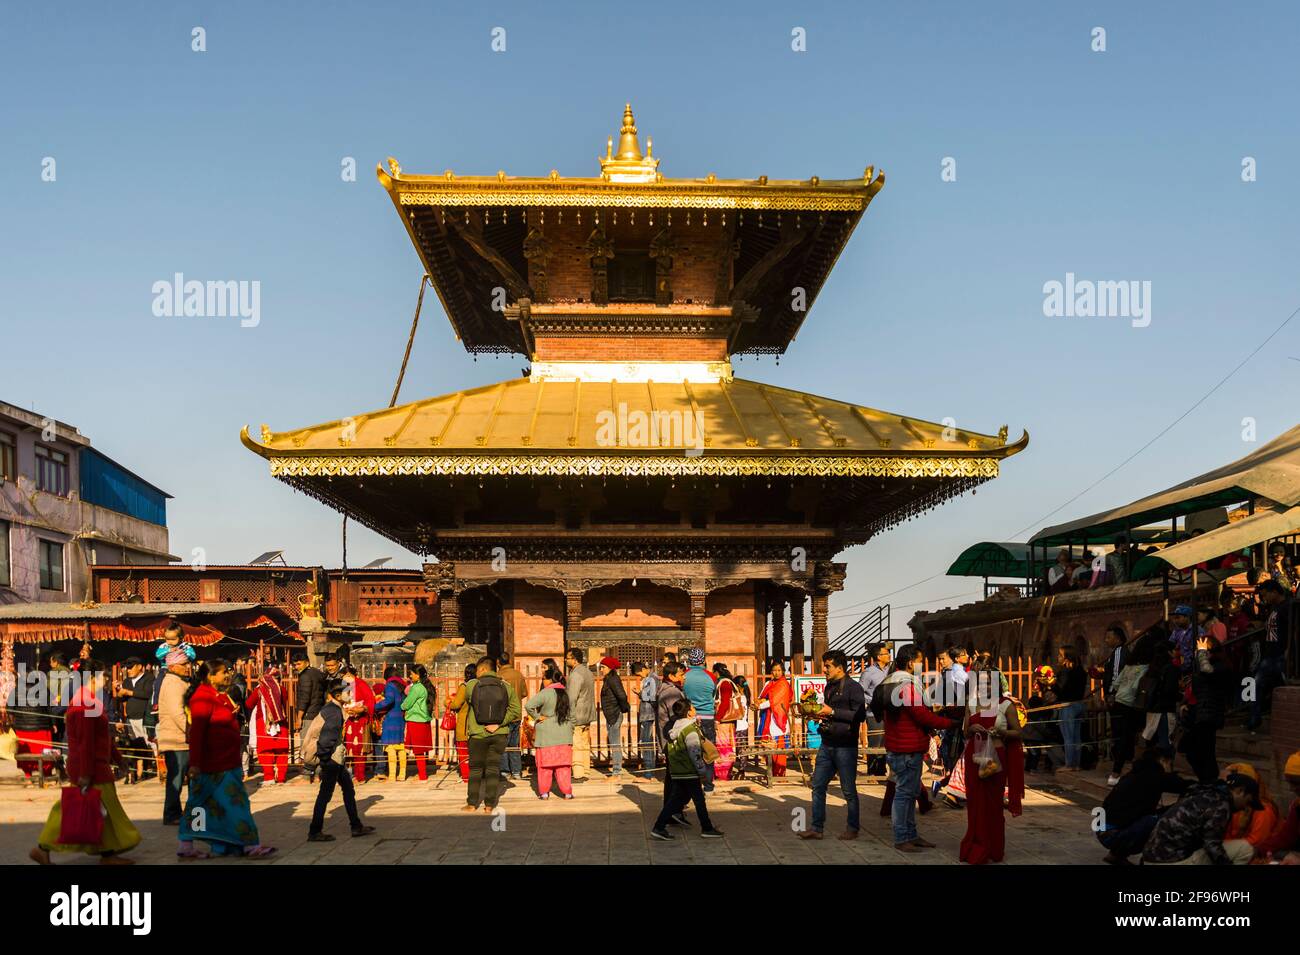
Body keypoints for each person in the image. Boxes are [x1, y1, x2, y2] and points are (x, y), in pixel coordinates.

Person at [30, 659, 141, 865]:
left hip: (93, 764)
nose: (107, 680)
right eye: (104, 676)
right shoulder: (84, 704)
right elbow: (86, 743)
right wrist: (86, 773)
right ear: (92, 678)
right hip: (90, 766)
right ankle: (43, 847)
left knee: (98, 809)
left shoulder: (90, 701)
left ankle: (107, 854)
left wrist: (118, 758)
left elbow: (101, 737)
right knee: (81, 809)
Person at [179, 659, 276, 859]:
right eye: (223, 672)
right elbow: (197, 733)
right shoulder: (202, 698)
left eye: (228, 671)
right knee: (232, 804)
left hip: (225, 763)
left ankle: (211, 845)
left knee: (205, 805)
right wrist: (195, 763)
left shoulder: (218, 697)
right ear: (210, 676)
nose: (228, 675)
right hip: (212, 764)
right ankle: (249, 845)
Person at [881, 645, 954, 852]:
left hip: (900, 744)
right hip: (907, 747)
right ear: (912, 662)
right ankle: (901, 838)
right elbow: (921, 715)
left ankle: (911, 835)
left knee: (910, 792)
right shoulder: (906, 685)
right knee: (904, 794)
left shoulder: (891, 681)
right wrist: (949, 723)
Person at [957, 659, 1024, 864]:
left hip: (996, 758)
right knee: (976, 803)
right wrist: (971, 730)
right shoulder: (971, 703)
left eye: (989, 682)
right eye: (982, 681)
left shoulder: (1005, 705)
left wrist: (1002, 731)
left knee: (993, 804)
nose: (985, 685)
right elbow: (964, 731)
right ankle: (977, 843)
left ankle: (994, 847)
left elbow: (1017, 732)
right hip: (974, 758)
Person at [798, 650, 867, 841]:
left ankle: (853, 828)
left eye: (828, 666)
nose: (825, 670)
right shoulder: (829, 687)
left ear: (839, 667)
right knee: (818, 786)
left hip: (846, 746)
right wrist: (818, 714)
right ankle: (816, 828)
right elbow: (829, 712)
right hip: (827, 744)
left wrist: (833, 711)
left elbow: (859, 716)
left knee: (848, 790)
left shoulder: (854, 687)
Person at [308, 679, 376, 842]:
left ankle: (356, 825)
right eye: (348, 693)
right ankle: (315, 831)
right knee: (325, 795)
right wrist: (325, 760)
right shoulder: (334, 712)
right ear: (338, 695)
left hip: (336, 758)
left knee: (348, 790)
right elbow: (326, 741)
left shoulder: (334, 709)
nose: (350, 695)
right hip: (331, 760)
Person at [1096, 745, 1189, 865]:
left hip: (1102, 829)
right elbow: (1183, 785)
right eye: (1169, 764)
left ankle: (1116, 854)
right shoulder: (1154, 775)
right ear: (1163, 761)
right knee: (1162, 819)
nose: (1170, 768)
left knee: (1153, 815)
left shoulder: (1136, 772)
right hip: (1111, 833)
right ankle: (1150, 859)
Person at [1141, 771, 1260, 865]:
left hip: (1152, 856)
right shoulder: (1221, 804)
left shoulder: (1206, 791)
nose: (1245, 808)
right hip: (1170, 861)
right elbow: (1212, 846)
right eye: (1248, 802)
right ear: (1240, 791)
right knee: (1245, 849)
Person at [649, 700, 725, 841]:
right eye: (693, 708)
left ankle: (659, 827)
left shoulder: (675, 728)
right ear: (689, 711)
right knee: (699, 800)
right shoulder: (690, 731)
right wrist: (702, 771)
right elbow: (694, 753)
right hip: (689, 770)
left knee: (676, 800)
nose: (695, 710)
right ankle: (707, 828)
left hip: (678, 770)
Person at [461, 655, 521, 813]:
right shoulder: (506, 686)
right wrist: (499, 723)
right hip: (499, 734)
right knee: (493, 769)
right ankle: (489, 805)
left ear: (482, 669)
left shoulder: (472, 685)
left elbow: (468, 701)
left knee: (475, 769)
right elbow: (516, 710)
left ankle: (472, 804)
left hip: (477, 734)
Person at [524, 665, 574, 799]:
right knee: (564, 767)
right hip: (564, 734)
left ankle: (545, 793)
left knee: (544, 767)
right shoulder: (566, 693)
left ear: (549, 680)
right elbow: (572, 714)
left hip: (546, 734)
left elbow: (529, 706)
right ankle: (567, 792)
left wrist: (537, 717)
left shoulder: (546, 693)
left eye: (543, 679)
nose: (543, 681)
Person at [1248, 580, 1291, 733]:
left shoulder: (1287, 606)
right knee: (1254, 684)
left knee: (1284, 687)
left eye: (1265, 595)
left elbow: (1293, 629)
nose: (1264, 598)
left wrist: (1288, 649)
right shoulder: (1274, 607)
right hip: (1270, 655)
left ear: (1274, 592)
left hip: (1280, 654)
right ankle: (1253, 719)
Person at [155, 655, 192, 825]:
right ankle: (171, 814)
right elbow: (177, 712)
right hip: (177, 739)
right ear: (172, 666)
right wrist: (191, 731)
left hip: (181, 738)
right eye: (184, 663)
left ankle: (187, 813)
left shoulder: (179, 682)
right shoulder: (172, 684)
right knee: (176, 779)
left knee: (184, 777)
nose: (187, 666)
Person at [11, 658, 58, 781]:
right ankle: (46, 774)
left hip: (22, 729)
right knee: (44, 751)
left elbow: (9, 709)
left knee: (27, 752)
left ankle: (28, 774)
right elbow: (50, 708)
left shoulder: (16, 691)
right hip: (42, 728)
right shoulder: (43, 689)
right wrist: (53, 724)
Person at [246, 664, 290, 784]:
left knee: (266, 751)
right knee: (282, 751)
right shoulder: (283, 689)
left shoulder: (259, 690)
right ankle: (281, 778)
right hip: (281, 723)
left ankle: (269, 778)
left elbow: (249, 704)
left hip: (264, 724)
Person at [1221, 762, 1279, 853]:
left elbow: (1258, 841)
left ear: (1241, 790)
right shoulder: (1229, 803)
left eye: (1232, 787)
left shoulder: (1264, 809)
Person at [1099, 624, 1131, 785]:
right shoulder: (1115, 653)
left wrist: (1111, 693)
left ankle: (1117, 769)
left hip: (1118, 698)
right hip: (1120, 698)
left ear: (1117, 638)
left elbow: (1117, 675)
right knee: (1120, 733)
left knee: (1120, 734)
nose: (1106, 640)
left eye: (1109, 637)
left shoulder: (1119, 651)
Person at [1258, 751, 1300, 863]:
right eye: (1290, 783)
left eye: (1296, 783)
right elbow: (1285, 837)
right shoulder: (1297, 806)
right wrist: (1258, 850)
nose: (1292, 788)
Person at [1141, 641, 1181, 750]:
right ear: (1170, 652)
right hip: (1165, 709)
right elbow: (1170, 690)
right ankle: (1164, 765)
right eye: (1176, 650)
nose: (1178, 652)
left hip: (1152, 708)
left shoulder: (1152, 667)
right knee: (1165, 741)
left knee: (1153, 741)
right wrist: (1181, 697)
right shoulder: (1171, 668)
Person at [292, 652, 326, 778]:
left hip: (308, 715)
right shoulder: (318, 673)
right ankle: (318, 774)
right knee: (317, 744)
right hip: (319, 713)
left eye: (299, 663)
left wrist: (299, 717)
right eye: (295, 665)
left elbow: (304, 698)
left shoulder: (305, 676)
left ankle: (307, 775)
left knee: (306, 745)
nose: (297, 667)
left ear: (306, 662)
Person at [757, 660, 793, 777]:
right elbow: (761, 696)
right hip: (766, 719)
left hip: (778, 720)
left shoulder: (783, 684)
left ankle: (780, 775)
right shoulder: (769, 683)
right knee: (768, 746)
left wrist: (760, 705)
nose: (776, 673)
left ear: (783, 671)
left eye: (779, 670)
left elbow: (774, 701)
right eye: (774, 670)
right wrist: (757, 702)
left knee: (779, 749)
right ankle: (771, 773)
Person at [496, 652, 529, 781]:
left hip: (504, 716)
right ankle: (516, 771)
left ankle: (505, 771)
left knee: (504, 744)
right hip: (516, 715)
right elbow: (524, 693)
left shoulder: (499, 676)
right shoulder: (518, 675)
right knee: (514, 745)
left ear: (499, 662)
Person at [372, 665, 408, 782]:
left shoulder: (390, 685)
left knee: (391, 747)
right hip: (400, 718)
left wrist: (375, 707)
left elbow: (389, 701)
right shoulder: (402, 685)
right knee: (400, 746)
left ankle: (392, 775)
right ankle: (402, 774)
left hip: (391, 718)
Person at [342, 666, 376, 783]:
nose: (346, 678)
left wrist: (362, 709)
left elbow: (370, 701)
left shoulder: (362, 684)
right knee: (350, 748)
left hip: (361, 721)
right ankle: (351, 774)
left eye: (348, 676)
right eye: (344, 676)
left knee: (360, 749)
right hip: (350, 720)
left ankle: (360, 776)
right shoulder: (345, 685)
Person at [1054, 646, 1086, 772]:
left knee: (1068, 736)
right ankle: (1076, 764)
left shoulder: (1066, 671)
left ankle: (1069, 764)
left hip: (1068, 706)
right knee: (1076, 737)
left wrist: (1052, 684)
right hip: (1079, 704)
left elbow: (1063, 691)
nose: (1059, 658)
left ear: (1067, 657)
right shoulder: (1081, 671)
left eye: (1061, 655)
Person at [565, 648, 595, 781]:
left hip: (577, 715)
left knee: (577, 745)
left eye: (568, 658)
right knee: (584, 744)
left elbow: (571, 698)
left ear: (574, 659)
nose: (566, 660)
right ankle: (586, 771)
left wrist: (569, 717)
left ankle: (578, 773)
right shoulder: (588, 672)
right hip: (587, 713)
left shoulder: (575, 675)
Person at [401, 665, 435, 781]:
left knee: (418, 751)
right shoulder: (425, 686)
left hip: (416, 721)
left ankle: (422, 775)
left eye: (412, 673)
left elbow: (407, 703)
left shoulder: (416, 688)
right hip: (423, 720)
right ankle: (422, 773)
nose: (410, 676)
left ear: (418, 675)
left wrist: (402, 706)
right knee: (420, 749)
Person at [599, 656, 630, 777]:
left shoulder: (613, 679)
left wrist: (623, 708)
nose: (601, 669)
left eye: (603, 667)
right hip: (611, 714)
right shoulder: (608, 679)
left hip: (614, 714)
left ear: (610, 668)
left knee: (615, 743)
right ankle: (616, 770)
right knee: (614, 742)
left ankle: (617, 772)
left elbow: (622, 696)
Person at [711, 662, 740, 781]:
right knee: (724, 746)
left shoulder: (725, 683)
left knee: (723, 747)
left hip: (724, 721)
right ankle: (722, 772)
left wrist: (717, 719)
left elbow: (725, 703)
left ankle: (723, 773)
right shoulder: (726, 682)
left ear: (716, 672)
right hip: (724, 720)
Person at [447, 663, 477, 781]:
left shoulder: (465, 686)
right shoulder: (479, 685)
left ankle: (466, 776)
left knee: (463, 750)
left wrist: (447, 702)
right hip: (478, 723)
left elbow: (456, 704)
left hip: (465, 723)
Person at [681, 648, 717, 745]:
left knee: (691, 748)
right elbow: (714, 694)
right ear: (704, 660)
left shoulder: (684, 676)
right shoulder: (711, 676)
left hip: (689, 716)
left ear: (690, 660)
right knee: (709, 749)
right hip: (707, 716)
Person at [633, 662, 658, 777]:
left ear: (644, 669)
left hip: (648, 713)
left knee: (646, 741)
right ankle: (649, 769)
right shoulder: (651, 678)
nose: (639, 677)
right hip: (648, 713)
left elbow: (652, 697)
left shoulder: (651, 679)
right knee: (647, 740)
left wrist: (639, 693)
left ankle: (648, 771)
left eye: (639, 674)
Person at [1167, 605, 1197, 674]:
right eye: (1174, 618)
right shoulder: (1177, 631)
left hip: (1191, 668)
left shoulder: (1196, 631)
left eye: (1178, 618)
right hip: (1177, 664)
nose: (1175, 621)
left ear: (1187, 617)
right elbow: (1170, 644)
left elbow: (1196, 653)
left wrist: (1179, 656)